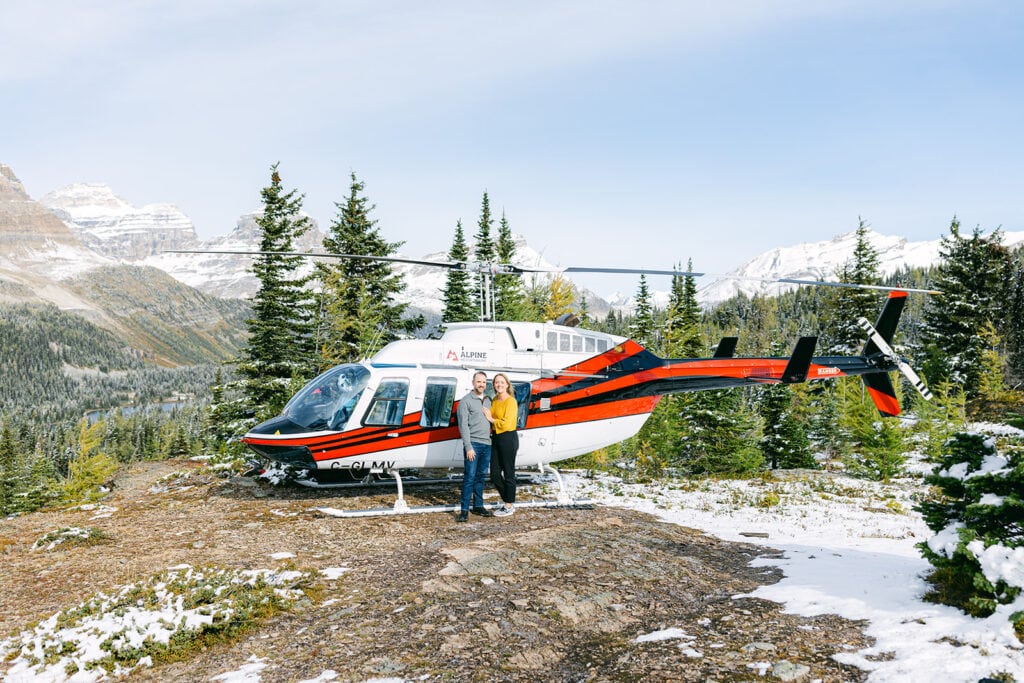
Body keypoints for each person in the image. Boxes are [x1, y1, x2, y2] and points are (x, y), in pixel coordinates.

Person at [455, 371, 494, 523]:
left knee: (481, 477)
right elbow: (463, 426)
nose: (481, 384)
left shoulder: (488, 400)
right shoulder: (466, 401)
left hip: (487, 444)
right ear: (473, 383)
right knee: (469, 477)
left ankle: (478, 505)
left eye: (484, 382)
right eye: (479, 382)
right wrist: (468, 446)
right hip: (474, 445)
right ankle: (464, 510)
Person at [488, 372, 519, 517]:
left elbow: (506, 424)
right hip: (496, 437)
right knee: (494, 474)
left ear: (507, 384)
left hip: (508, 437)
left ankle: (508, 505)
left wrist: (491, 420)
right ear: (494, 385)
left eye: (502, 382)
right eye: (496, 382)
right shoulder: (494, 400)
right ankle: (508, 499)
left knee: (508, 472)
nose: (499, 384)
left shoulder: (511, 401)